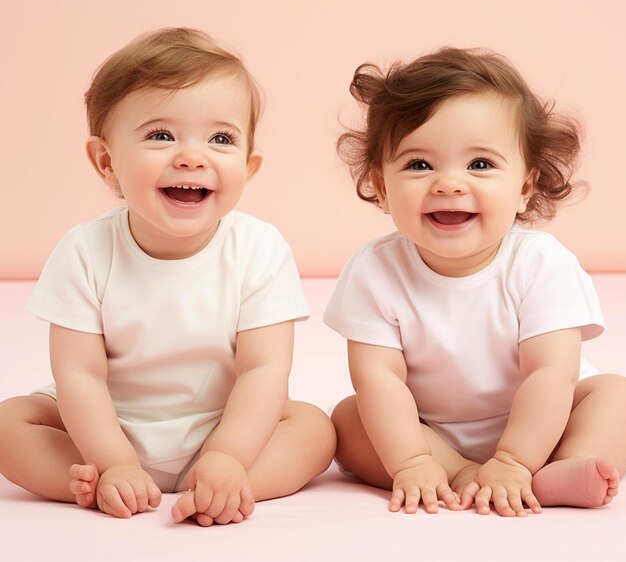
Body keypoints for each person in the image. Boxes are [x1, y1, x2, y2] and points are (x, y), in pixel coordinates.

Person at [0, 27, 336, 526]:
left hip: (222, 424)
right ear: (106, 162)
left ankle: (222, 484)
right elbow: (80, 374)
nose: (191, 156)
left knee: (314, 429)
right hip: (102, 427)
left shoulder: (258, 249)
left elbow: (262, 371)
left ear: (250, 165)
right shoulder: (86, 250)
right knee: (9, 425)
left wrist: (227, 455)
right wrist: (111, 456)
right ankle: (103, 481)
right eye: (161, 135)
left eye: (221, 138)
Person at [324, 47, 626, 517]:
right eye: (419, 165)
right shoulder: (374, 269)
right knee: (348, 419)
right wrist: (411, 459)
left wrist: (514, 459)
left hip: (545, 420)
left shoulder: (541, 263)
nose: (448, 183)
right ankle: (458, 475)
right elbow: (378, 378)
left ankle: (565, 466)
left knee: (613, 395)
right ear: (381, 188)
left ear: (525, 187)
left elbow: (552, 374)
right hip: (427, 428)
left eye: (480, 165)